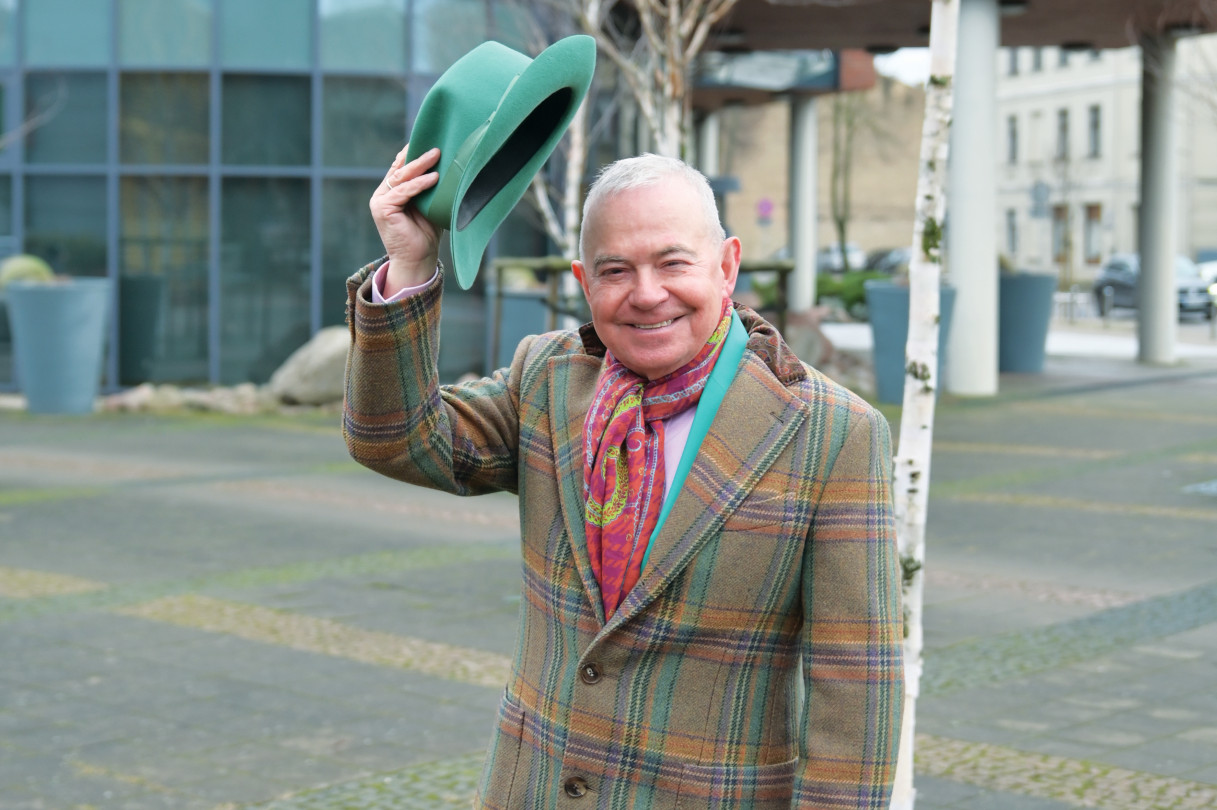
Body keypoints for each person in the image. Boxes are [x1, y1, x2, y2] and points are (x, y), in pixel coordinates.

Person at [344, 146, 904, 809]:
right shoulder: (547, 378)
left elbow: (855, 685)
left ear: (726, 266)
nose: (646, 294)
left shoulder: (834, 433)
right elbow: (396, 439)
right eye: (616, 270)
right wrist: (410, 263)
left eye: (673, 263)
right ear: (585, 282)